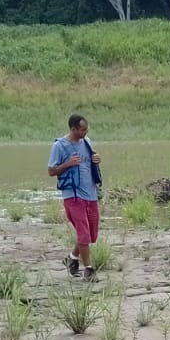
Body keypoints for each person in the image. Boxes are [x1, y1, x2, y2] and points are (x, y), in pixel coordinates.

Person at [47, 113, 103, 279]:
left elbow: (89, 163)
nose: (86, 132)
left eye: (87, 129)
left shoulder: (87, 142)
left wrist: (96, 159)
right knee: (83, 234)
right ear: (73, 129)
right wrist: (68, 164)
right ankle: (89, 269)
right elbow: (51, 171)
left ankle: (72, 258)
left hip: (91, 194)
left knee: (91, 234)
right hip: (73, 196)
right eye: (83, 129)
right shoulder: (59, 146)